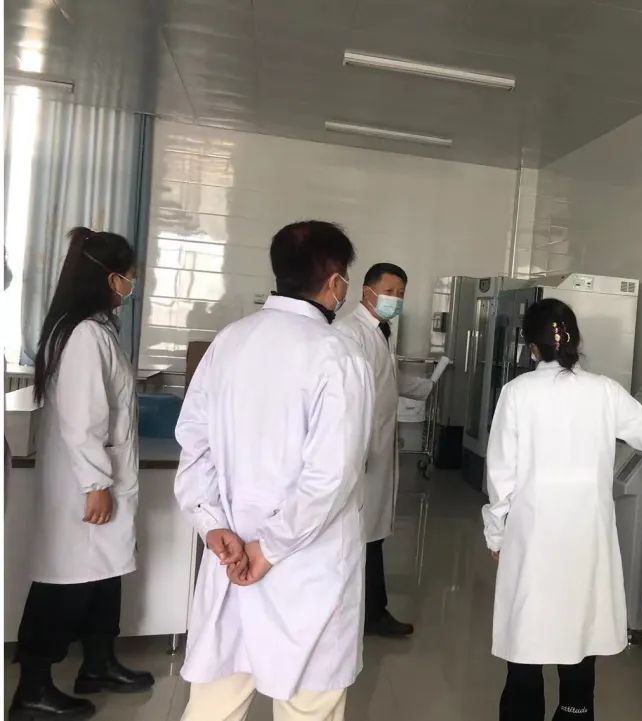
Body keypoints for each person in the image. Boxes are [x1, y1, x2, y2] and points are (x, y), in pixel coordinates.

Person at [482, 298, 642, 721]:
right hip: (587, 542)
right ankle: (574, 710)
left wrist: (496, 534)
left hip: (531, 540)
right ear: (576, 342)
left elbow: (501, 476)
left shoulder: (517, 393)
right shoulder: (604, 391)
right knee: (580, 635)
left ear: (532, 347)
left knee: (527, 640)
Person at [174, 221, 375, 721]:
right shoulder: (337, 354)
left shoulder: (230, 341)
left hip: (231, 557)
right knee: (308, 707)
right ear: (335, 281)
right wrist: (270, 549)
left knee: (215, 705)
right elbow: (330, 476)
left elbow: (194, 443)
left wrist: (213, 525)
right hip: (305, 570)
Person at [10, 227, 153, 720]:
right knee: (65, 583)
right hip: (86, 482)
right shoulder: (85, 336)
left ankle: (98, 663)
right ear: (111, 278)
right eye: (129, 277)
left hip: (101, 476)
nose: (131, 286)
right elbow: (82, 417)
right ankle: (32, 687)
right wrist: (96, 483)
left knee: (104, 576)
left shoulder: (94, 329)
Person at [334, 262, 432, 637]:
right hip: (360, 453)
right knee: (359, 535)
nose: (396, 299)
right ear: (367, 291)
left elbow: (386, 382)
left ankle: (372, 610)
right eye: (390, 291)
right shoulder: (351, 333)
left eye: (401, 293)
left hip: (376, 449)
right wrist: (354, 452)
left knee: (370, 535)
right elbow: (347, 399)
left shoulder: (380, 331)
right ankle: (365, 614)